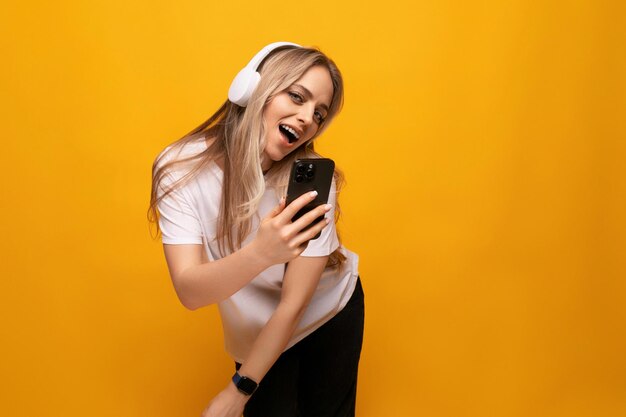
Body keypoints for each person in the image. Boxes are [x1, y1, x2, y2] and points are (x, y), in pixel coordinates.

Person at [148, 42, 364, 417]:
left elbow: (293, 304)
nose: (306, 118)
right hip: (254, 329)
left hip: (328, 312)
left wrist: (238, 390)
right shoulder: (181, 169)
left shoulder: (312, 182)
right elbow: (190, 290)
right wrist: (262, 253)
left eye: (318, 113)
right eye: (296, 96)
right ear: (252, 89)